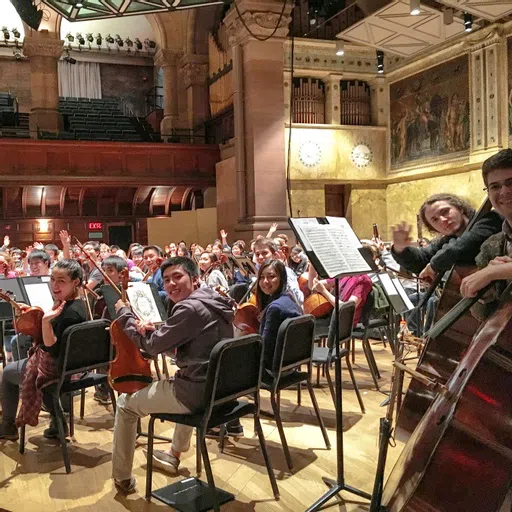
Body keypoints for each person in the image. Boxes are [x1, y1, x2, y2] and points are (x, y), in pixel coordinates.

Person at [111, 257, 235, 494]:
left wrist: (125, 314)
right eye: (166, 279)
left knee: (125, 404)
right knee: (180, 377)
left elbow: (150, 348)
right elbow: (186, 342)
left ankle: (122, 477)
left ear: (195, 279)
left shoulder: (189, 308)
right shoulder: (214, 300)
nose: (170, 284)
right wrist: (156, 332)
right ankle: (173, 453)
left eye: (177, 277)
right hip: (223, 389)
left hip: (197, 394)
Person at [0, 259, 87, 440]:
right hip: (74, 369)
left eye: (61, 281)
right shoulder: (76, 304)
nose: (54, 285)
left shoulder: (69, 313)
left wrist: (45, 321)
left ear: (76, 282)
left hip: (56, 372)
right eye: (52, 279)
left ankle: (8, 426)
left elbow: (52, 350)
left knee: (7, 372)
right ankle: (57, 418)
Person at [391, 193, 502, 282]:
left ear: (460, 208)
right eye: (435, 220)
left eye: (445, 211)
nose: (443, 220)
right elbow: (422, 260)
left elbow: (468, 242)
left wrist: (434, 265)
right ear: (433, 229)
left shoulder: (489, 219)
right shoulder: (447, 239)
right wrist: (400, 249)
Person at [460, 149, 512, 311]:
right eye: (495, 186)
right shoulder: (492, 245)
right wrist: (481, 293)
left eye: (511, 182)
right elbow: (481, 314)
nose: (504, 191)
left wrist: (496, 272)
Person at [256, 260, 302, 374]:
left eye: (271, 276)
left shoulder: (275, 308)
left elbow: (265, 349)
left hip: (273, 370)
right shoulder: (289, 297)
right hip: (291, 365)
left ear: (282, 279)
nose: (265, 281)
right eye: (261, 277)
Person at [308, 262, 372, 328]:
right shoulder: (345, 274)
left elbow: (347, 309)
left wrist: (323, 291)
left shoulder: (363, 281)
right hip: (332, 316)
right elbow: (312, 286)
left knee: (307, 326)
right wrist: (312, 265)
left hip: (343, 323)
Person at [252, 238, 304, 307]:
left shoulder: (286, 271)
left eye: (264, 253)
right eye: (257, 254)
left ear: (275, 255)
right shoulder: (259, 272)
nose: (260, 257)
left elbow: (298, 299)